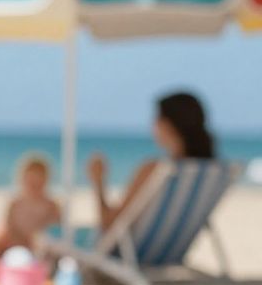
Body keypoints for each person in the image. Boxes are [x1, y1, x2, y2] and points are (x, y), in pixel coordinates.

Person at [86, 91, 216, 231]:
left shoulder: (157, 169)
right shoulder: (209, 173)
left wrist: (98, 180)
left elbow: (108, 224)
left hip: (127, 251)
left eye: (156, 118)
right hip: (171, 251)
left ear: (167, 124)